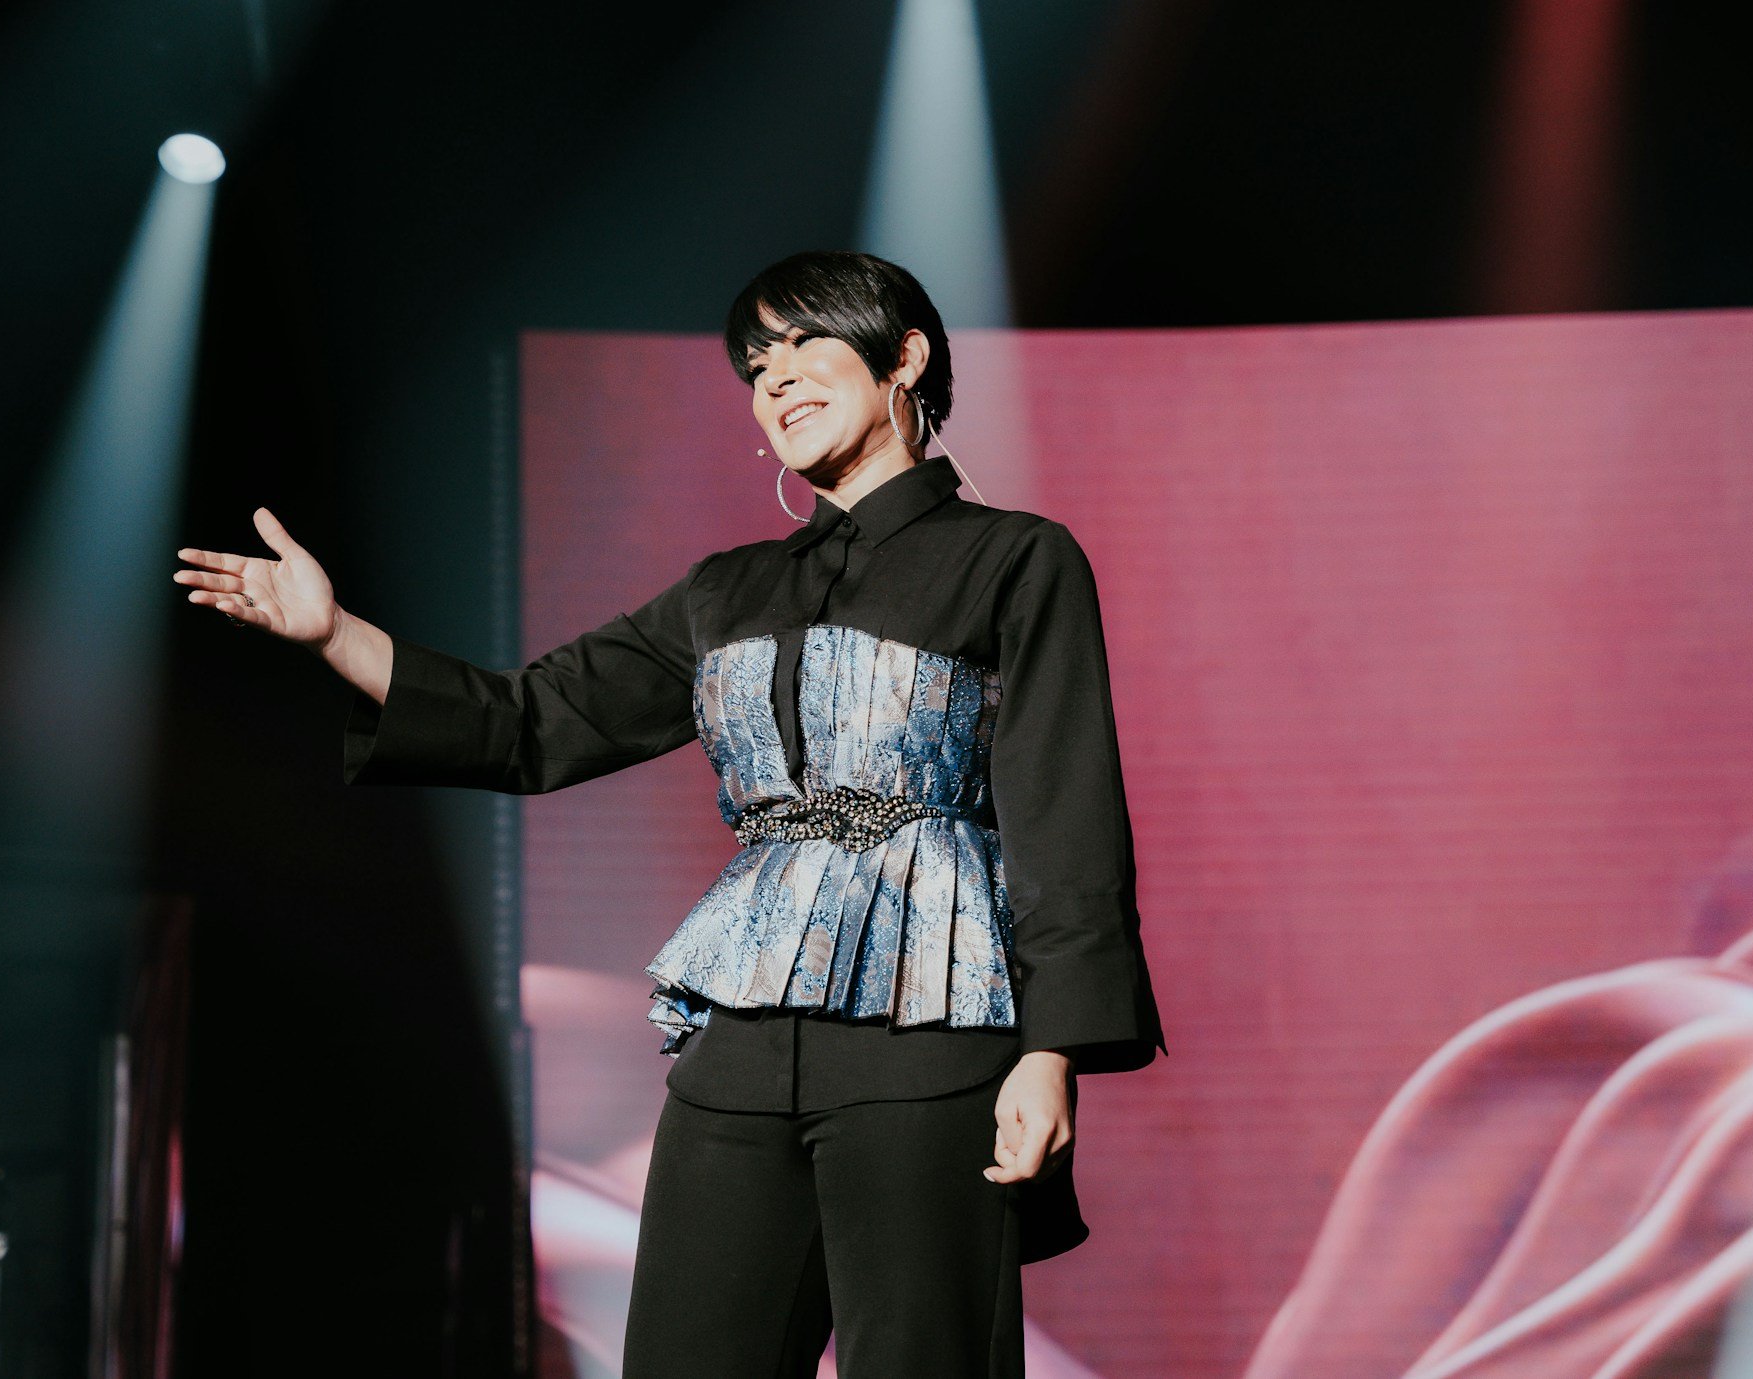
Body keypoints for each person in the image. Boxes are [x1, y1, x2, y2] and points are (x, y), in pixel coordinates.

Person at [175, 250, 1162, 1379]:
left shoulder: (1014, 558)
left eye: (803, 344)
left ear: (906, 357)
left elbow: (1063, 805)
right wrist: (334, 633)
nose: (774, 377)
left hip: (929, 1036)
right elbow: (529, 720)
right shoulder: (725, 589)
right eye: (754, 362)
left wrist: (1051, 1053)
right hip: (736, 1043)